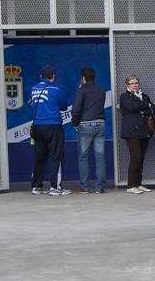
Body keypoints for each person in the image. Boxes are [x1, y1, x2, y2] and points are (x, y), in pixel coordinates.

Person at [28, 65, 72, 196]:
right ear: (53, 76)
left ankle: (36, 186)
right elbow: (64, 106)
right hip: (53, 126)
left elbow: (30, 104)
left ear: (40, 76)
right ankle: (54, 187)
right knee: (55, 156)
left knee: (39, 157)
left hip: (37, 126)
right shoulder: (56, 89)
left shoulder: (33, 89)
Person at [117, 75, 155, 195]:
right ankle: (131, 185)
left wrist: (145, 107)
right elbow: (132, 107)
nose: (135, 85)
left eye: (136, 83)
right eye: (132, 83)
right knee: (136, 157)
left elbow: (153, 109)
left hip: (144, 131)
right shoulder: (124, 97)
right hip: (131, 131)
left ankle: (138, 184)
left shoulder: (144, 95)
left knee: (141, 158)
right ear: (127, 85)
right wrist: (145, 106)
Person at [71, 66, 107, 193]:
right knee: (100, 156)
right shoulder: (101, 90)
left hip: (85, 124)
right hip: (100, 123)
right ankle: (100, 187)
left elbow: (76, 109)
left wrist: (75, 123)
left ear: (83, 78)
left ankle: (85, 187)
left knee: (83, 157)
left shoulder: (82, 90)